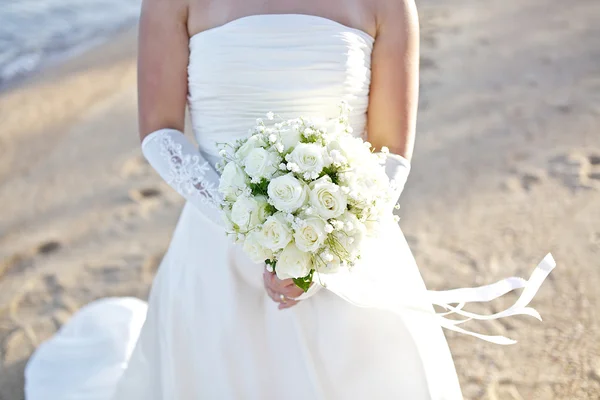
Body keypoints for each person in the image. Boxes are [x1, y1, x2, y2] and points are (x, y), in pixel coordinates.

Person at [25, 1, 555, 399]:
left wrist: (322, 250)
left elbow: (390, 151)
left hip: (346, 246)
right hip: (216, 253)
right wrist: (253, 232)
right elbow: (161, 133)